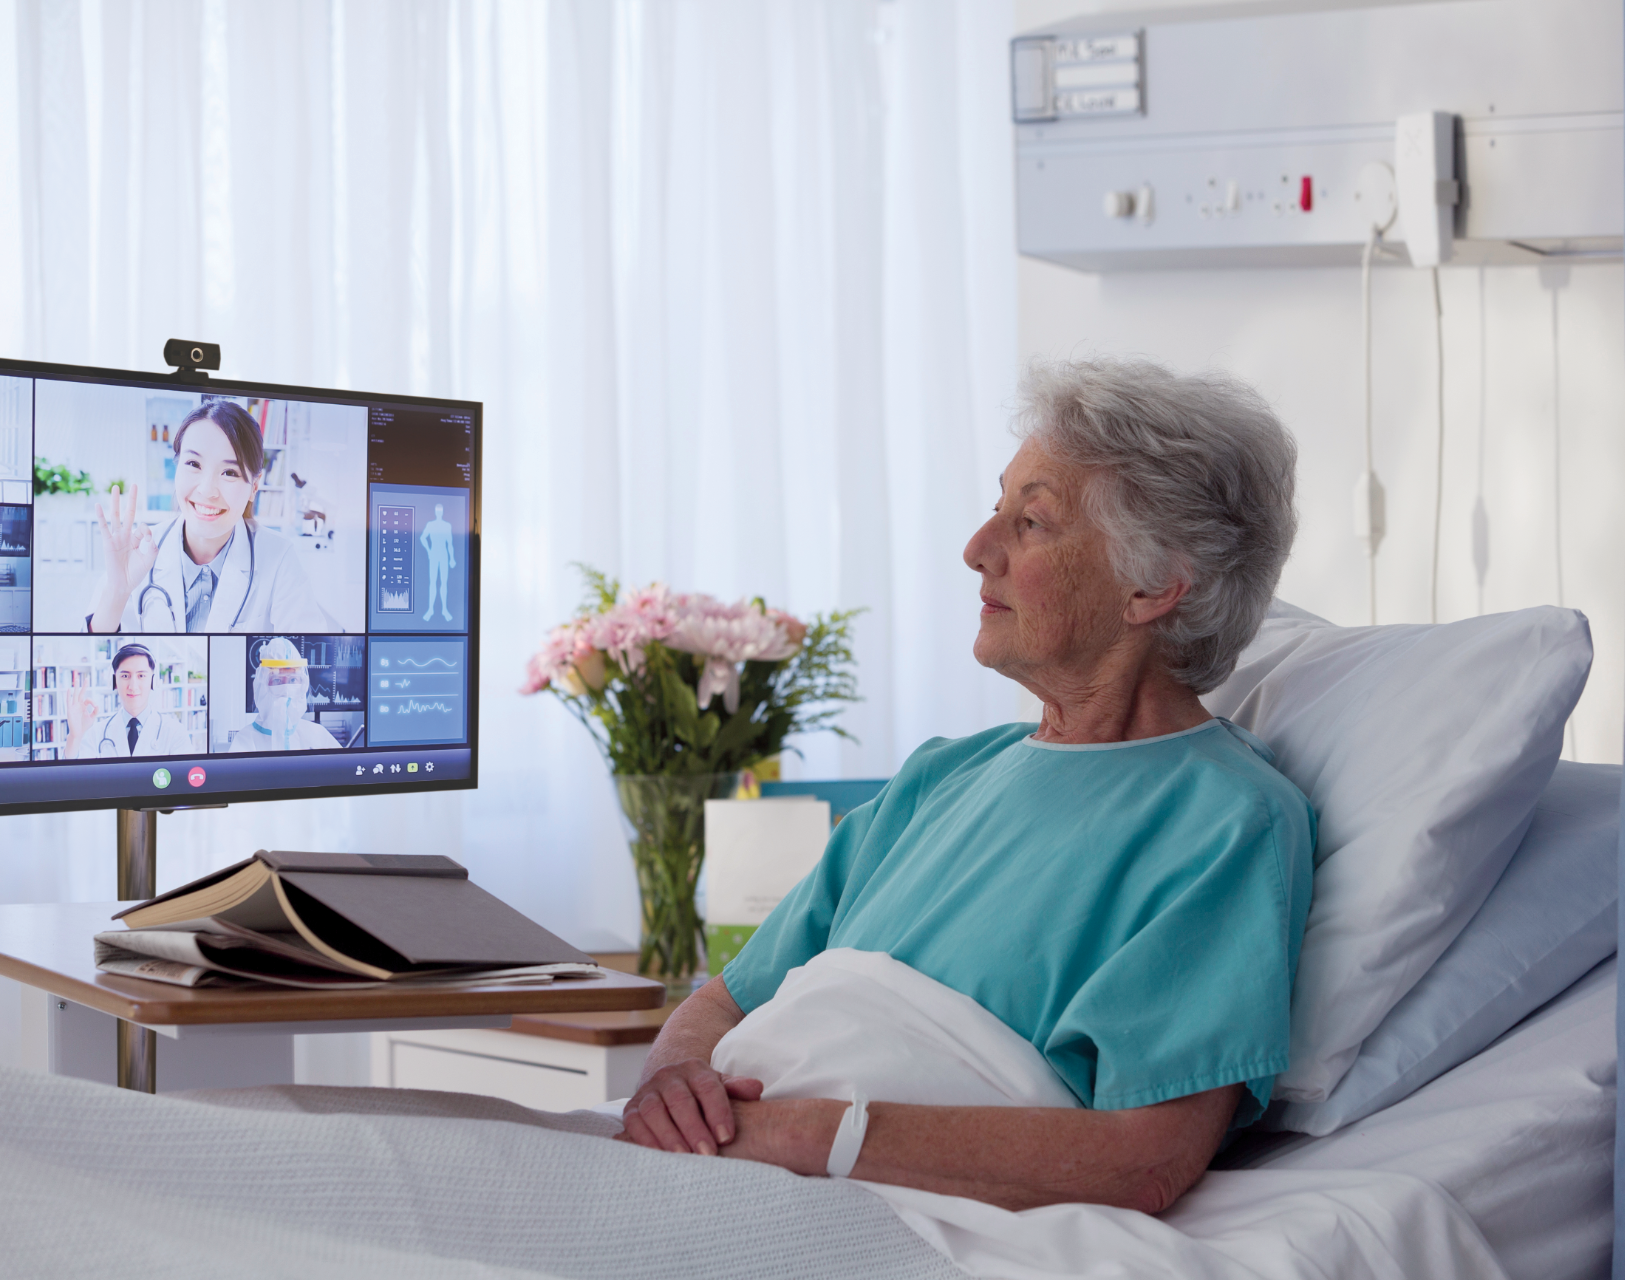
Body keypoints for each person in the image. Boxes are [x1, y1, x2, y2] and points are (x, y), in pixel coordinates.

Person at [620, 358, 1314, 1214]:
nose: (977, 549)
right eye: (997, 508)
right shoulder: (942, 776)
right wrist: (672, 1081)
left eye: (1032, 522)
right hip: (710, 1167)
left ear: (1152, 586)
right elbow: (726, 998)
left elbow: (1145, 1159)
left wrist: (799, 1135)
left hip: (850, 1201)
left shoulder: (1225, 822)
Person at [86, 400, 341, 634]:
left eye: (229, 472)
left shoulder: (279, 558)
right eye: (194, 464)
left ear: (254, 486)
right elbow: (95, 655)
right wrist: (117, 591)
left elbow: (309, 652)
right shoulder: (138, 552)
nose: (207, 490)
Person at [63, 643, 192, 758]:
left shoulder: (175, 732)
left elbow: (184, 775)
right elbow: (73, 774)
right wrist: (74, 737)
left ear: (153, 681)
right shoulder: (96, 733)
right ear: (114, 681)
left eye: (141, 675)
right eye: (125, 676)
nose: (133, 686)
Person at [228, 637, 342, 752]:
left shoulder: (318, 735)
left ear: (303, 683)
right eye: (277, 680)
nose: (286, 690)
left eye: (293, 680)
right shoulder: (245, 741)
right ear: (263, 685)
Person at [419, 503, 457, 623]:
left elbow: (450, 544)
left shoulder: (447, 526)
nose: (439, 512)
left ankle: (444, 610)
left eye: (440, 510)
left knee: (444, 583)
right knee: (433, 583)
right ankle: (430, 609)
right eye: (438, 510)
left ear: (442, 512)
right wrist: (429, 550)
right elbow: (422, 538)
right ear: (436, 512)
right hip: (434, 555)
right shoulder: (430, 525)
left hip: (443, 556)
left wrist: (452, 558)